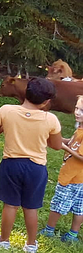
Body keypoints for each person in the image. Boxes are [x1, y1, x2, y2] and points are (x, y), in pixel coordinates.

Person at [0, 77, 63, 252]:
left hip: (11, 165)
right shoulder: (51, 120)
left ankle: (4, 241)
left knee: (10, 205)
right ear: (46, 102)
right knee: (31, 207)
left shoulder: (6, 110)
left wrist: (5, 126)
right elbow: (57, 146)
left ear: (26, 93)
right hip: (36, 169)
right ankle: (30, 245)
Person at [39, 95, 83, 243]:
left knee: (59, 203)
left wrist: (64, 147)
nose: (77, 112)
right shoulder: (80, 130)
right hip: (79, 178)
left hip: (71, 177)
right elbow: (73, 143)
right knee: (79, 206)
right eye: (77, 108)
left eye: (82, 110)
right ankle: (73, 234)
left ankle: (49, 230)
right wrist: (59, 140)